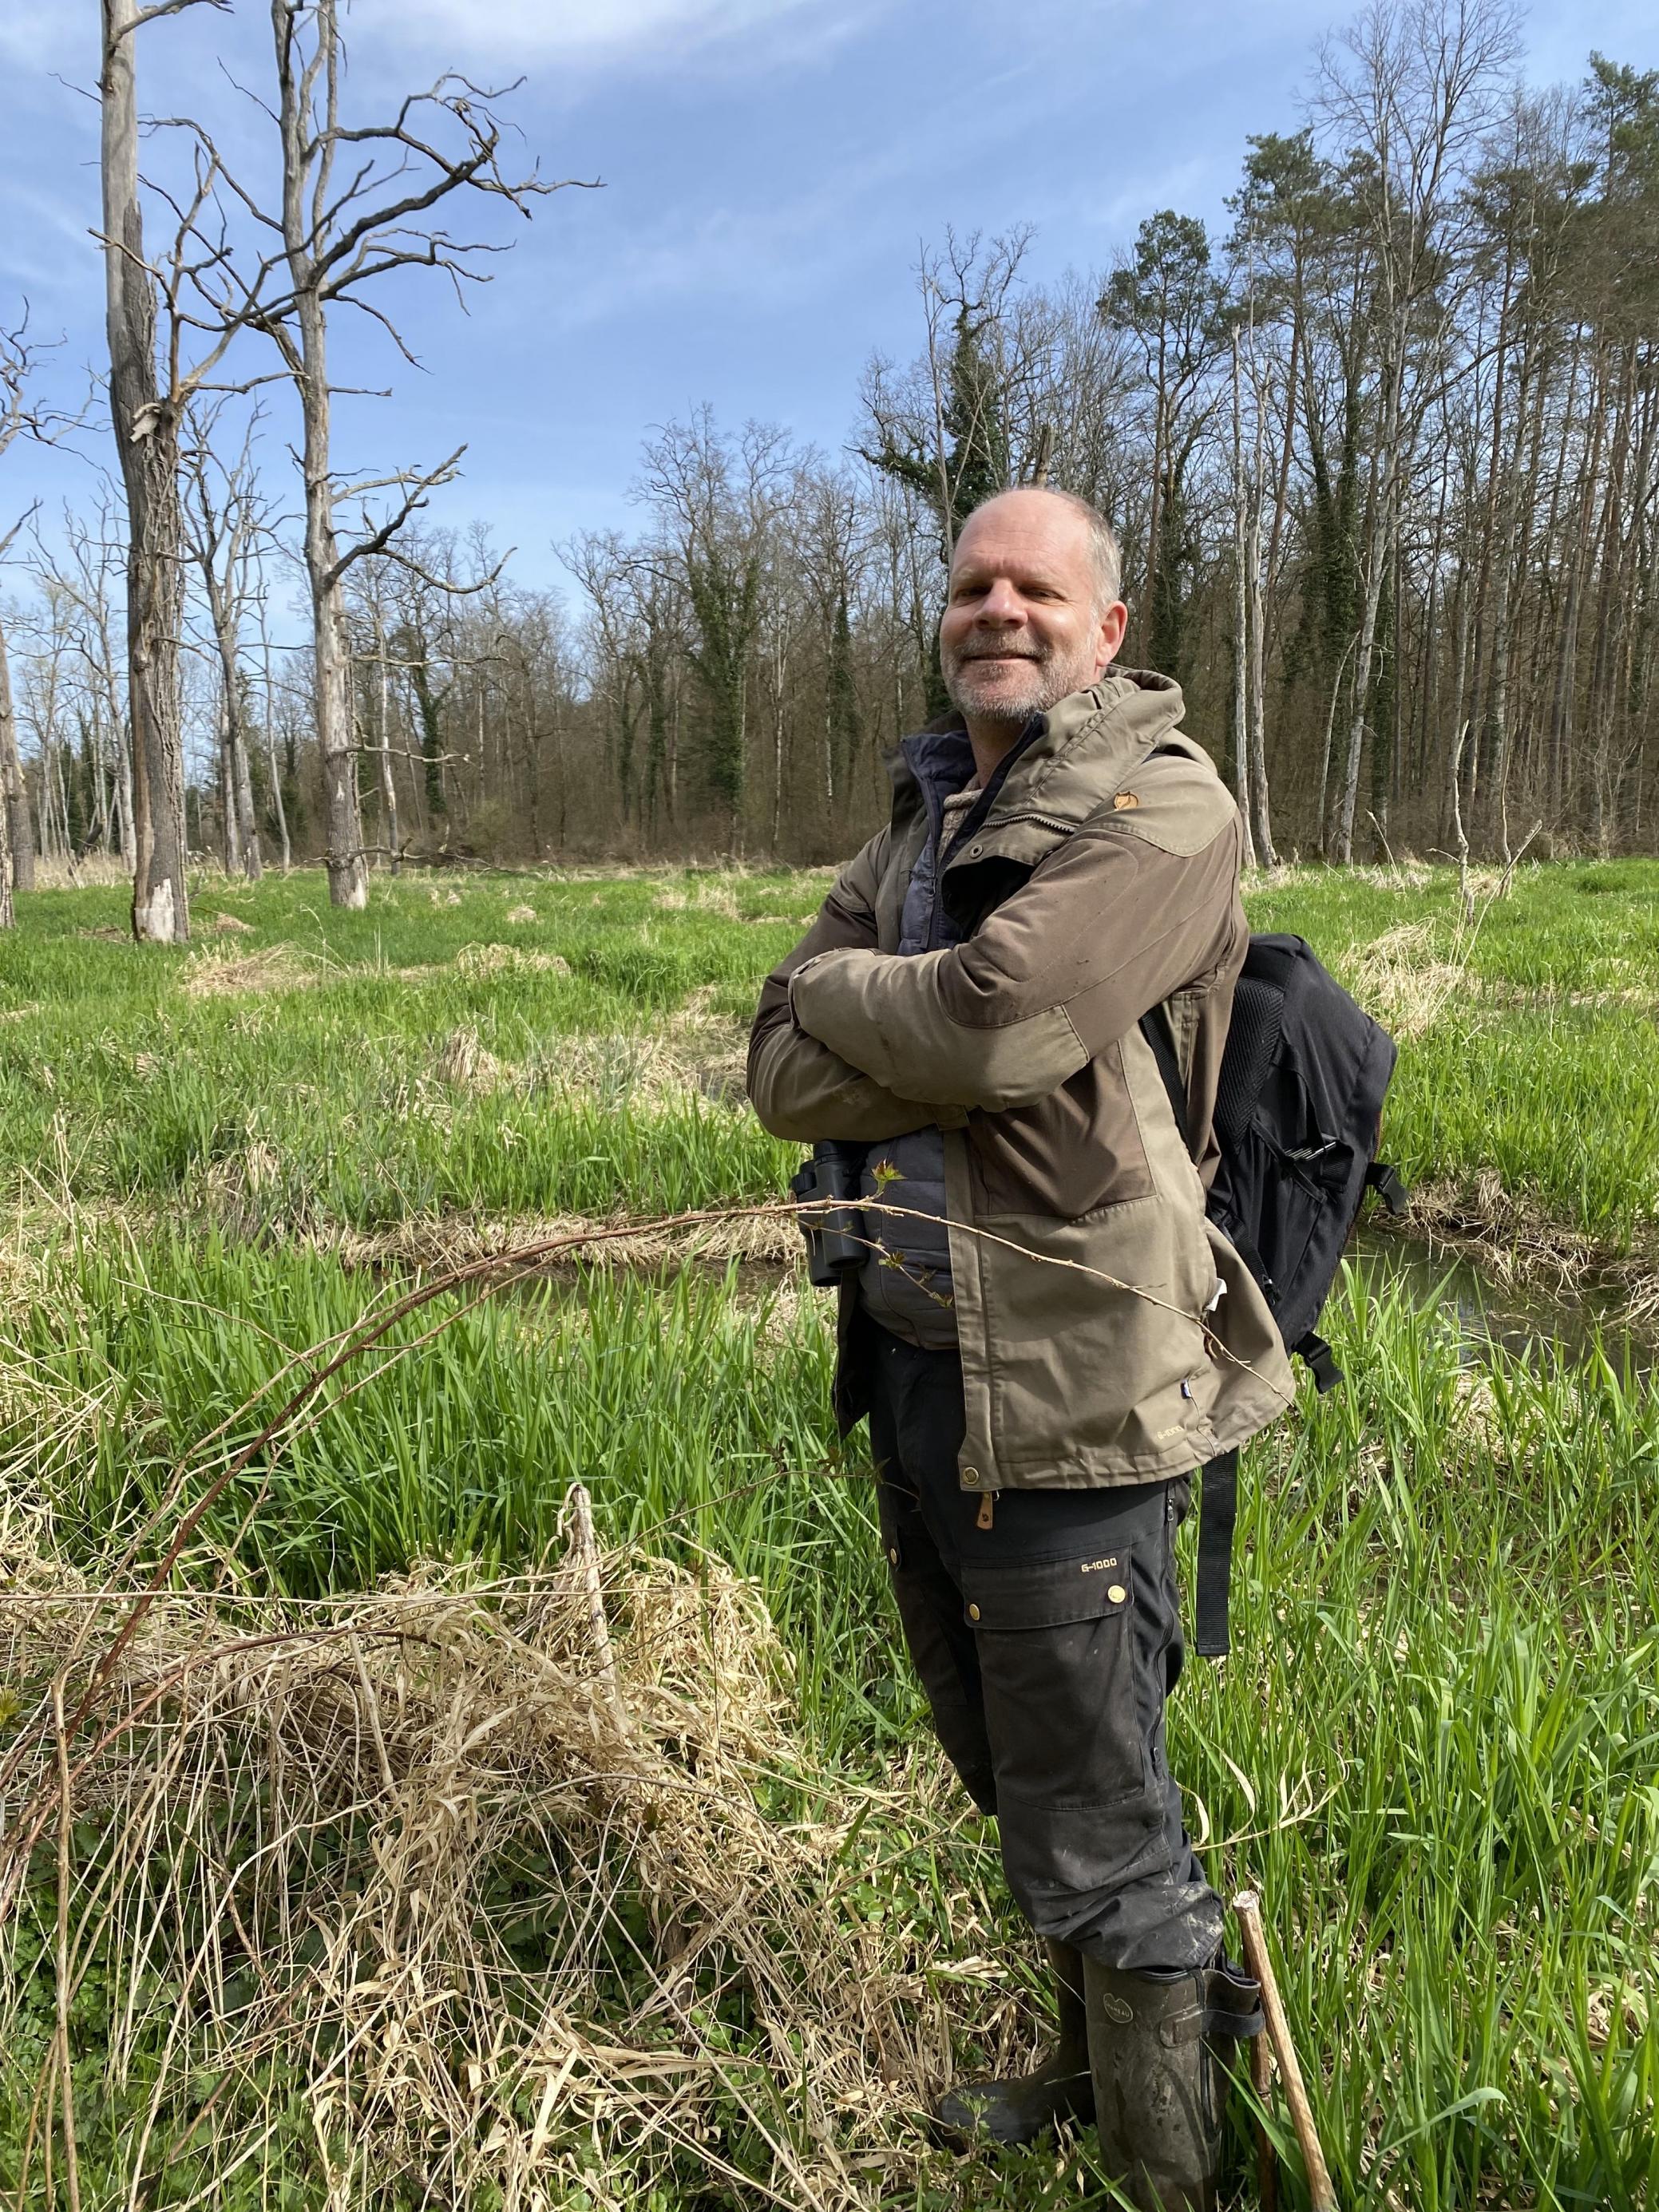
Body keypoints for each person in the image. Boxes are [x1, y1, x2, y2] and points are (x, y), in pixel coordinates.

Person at [746, 486, 1295, 2210]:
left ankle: (1168, 2175)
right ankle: (1081, 2085)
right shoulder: (924, 816)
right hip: (923, 1371)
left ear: (1105, 627)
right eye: (972, 585)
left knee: (1099, 1816)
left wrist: (855, 1000)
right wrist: (868, 1005)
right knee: (1011, 1771)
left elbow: (994, 1029)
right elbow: (774, 1066)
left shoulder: (1163, 799)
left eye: (1035, 588)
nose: (999, 608)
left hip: (1071, 1392)